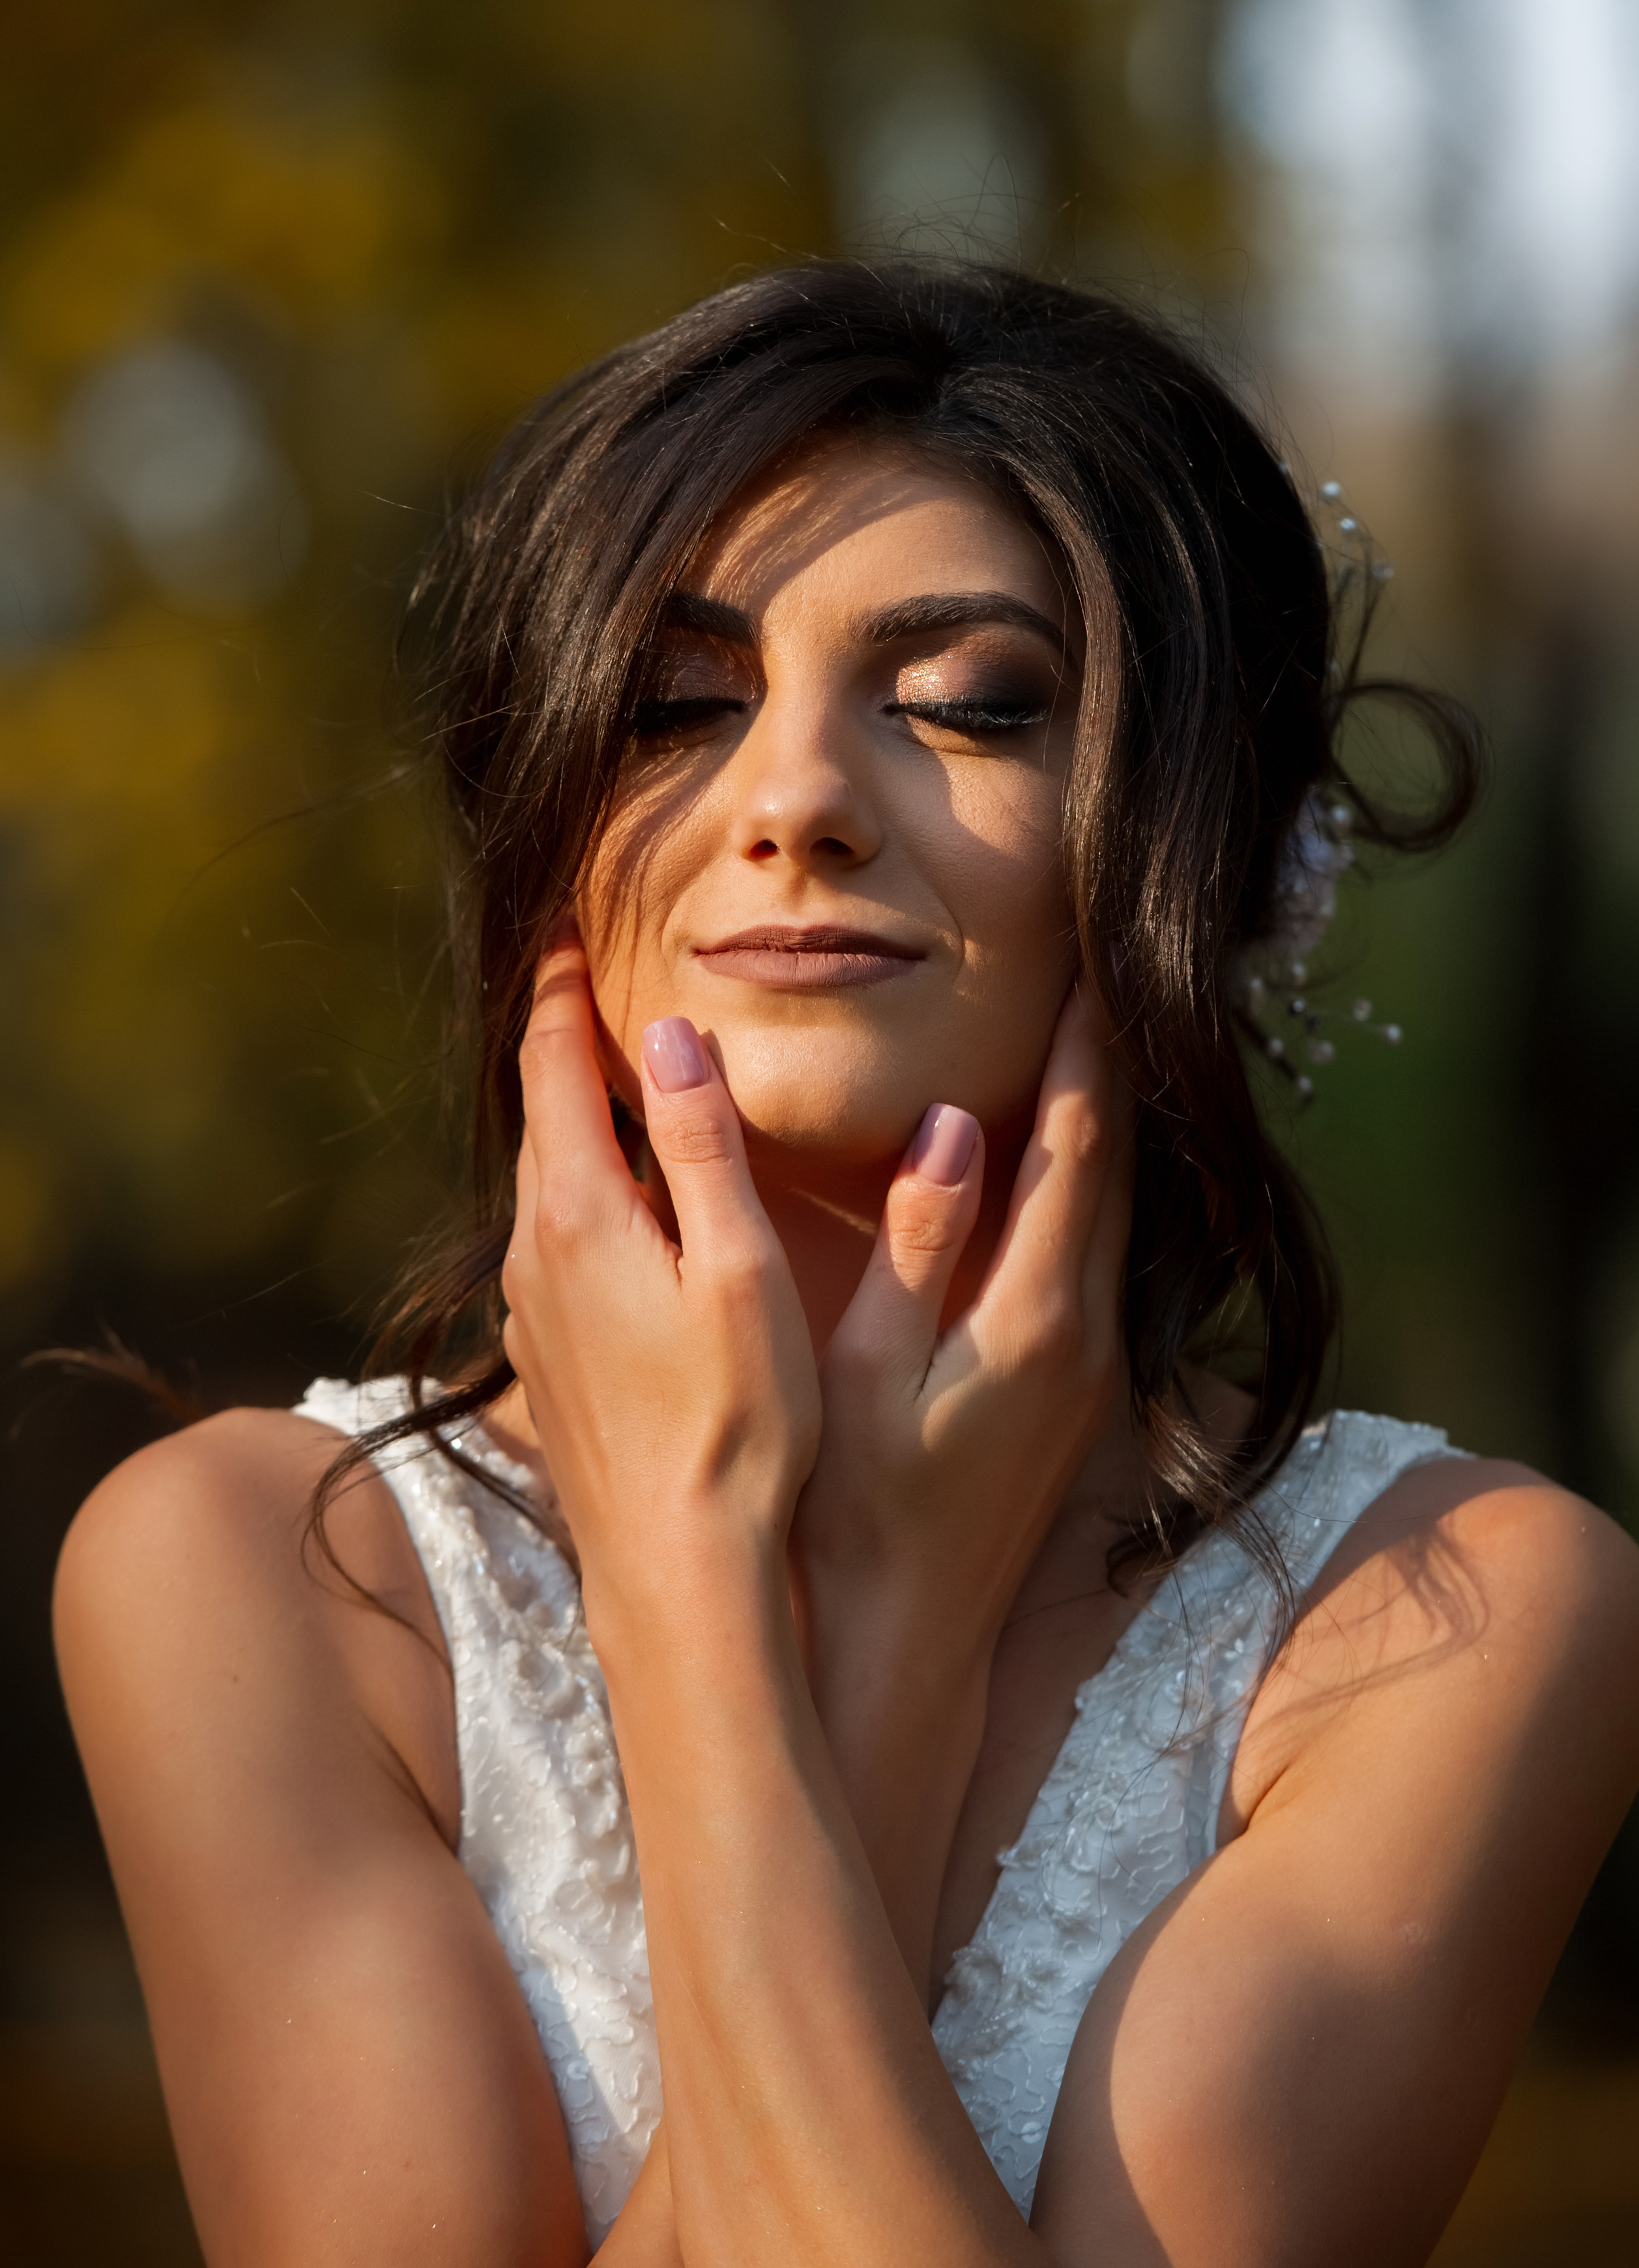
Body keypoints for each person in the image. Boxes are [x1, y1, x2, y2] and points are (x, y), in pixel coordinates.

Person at [55, 262, 1639, 2268]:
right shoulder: (268, 1576)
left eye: (968, 699)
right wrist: (777, 1621)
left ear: (1199, 839)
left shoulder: (1448, 1620)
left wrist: (766, 1626)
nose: (792, 799)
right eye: (675, 705)